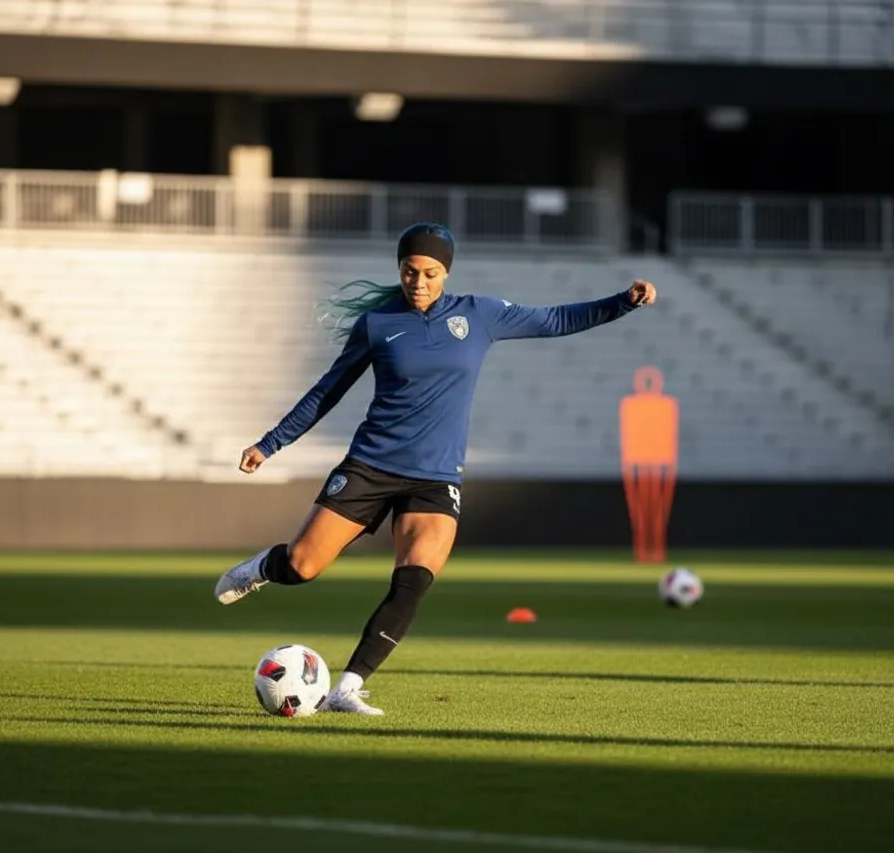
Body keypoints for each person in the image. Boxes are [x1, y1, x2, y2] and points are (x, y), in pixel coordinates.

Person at [215, 222, 657, 715]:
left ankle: (347, 688)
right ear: (399, 269)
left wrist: (623, 302)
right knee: (302, 566)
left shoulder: (479, 314)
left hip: (436, 477)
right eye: (410, 271)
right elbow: (328, 391)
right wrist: (270, 443)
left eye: (429, 273)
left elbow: (554, 319)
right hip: (371, 465)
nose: (418, 282)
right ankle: (261, 568)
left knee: (414, 579)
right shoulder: (377, 324)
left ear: (446, 272)